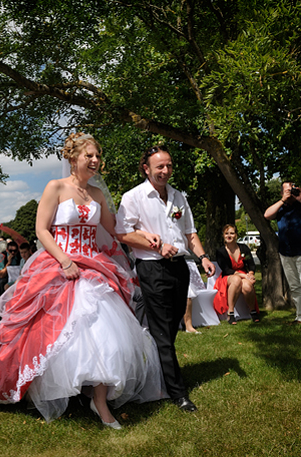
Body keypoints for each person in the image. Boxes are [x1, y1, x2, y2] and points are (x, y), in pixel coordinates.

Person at [0, 133, 166, 428]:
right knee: (45, 334)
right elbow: (42, 230)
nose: (95, 161)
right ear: (73, 158)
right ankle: (53, 389)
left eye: (98, 156)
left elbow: (116, 231)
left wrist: (148, 237)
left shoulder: (98, 195)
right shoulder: (56, 188)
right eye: (89, 155)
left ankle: (99, 400)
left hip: (93, 267)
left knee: (105, 332)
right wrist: (64, 261)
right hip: (58, 265)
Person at [116, 144, 215, 413]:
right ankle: (178, 392)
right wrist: (155, 246)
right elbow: (122, 233)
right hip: (152, 269)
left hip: (179, 268)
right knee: (161, 331)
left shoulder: (178, 196)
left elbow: (190, 233)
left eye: (169, 165)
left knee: (170, 330)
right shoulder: (133, 197)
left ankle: (156, 375)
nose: (165, 170)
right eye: (160, 166)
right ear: (146, 168)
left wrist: (203, 257)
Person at [264, 181, 301, 332]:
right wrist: (283, 200)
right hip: (286, 252)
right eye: (287, 190)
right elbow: (267, 215)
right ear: (281, 192)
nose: (290, 192)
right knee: (295, 287)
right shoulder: (280, 207)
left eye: (292, 189)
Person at [212, 224, 259, 324]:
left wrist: (250, 274)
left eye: (232, 233)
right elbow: (226, 270)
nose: (229, 236)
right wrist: (244, 276)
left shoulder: (244, 248)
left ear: (236, 235)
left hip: (244, 275)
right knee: (236, 280)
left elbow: (251, 264)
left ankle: (253, 311)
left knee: (247, 286)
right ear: (223, 235)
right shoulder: (220, 251)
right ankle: (231, 313)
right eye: (226, 233)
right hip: (228, 276)